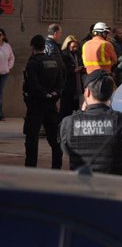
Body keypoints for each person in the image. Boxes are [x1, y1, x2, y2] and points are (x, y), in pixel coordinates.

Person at [59, 69, 122, 175]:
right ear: (111, 94)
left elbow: (68, 152)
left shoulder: (69, 123)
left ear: (87, 92)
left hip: (82, 188)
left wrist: (81, 113)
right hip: (117, 187)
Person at [23, 34, 64, 169]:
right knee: (54, 139)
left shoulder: (33, 62)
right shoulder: (53, 62)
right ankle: (57, 167)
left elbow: (32, 84)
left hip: (36, 105)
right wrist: (54, 94)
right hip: (51, 105)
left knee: (32, 137)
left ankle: (31, 167)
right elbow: (60, 81)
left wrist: (44, 94)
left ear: (32, 47)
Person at [60, 35, 85, 120]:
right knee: (66, 108)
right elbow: (63, 70)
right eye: (73, 47)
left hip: (77, 85)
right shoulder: (63, 54)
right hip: (68, 85)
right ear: (67, 45)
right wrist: (74, 70)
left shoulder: (78, 54)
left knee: (76, 107)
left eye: (76, 46)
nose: (75, 48)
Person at [0, 28, 15, 120]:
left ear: (3, 36)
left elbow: (12, 57)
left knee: (0, 93)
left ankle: (0, 114)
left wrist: (9, 67)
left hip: (4, 74)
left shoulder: (7, 46)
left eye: (0, 34)